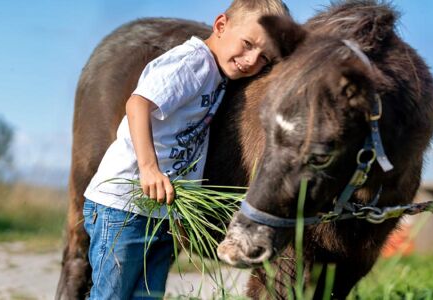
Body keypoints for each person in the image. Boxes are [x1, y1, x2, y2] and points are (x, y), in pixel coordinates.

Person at [82, 1, 289, 298]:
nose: (251, 60)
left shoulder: (218, 75)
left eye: (264, 58)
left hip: (159, 210)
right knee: (112, 295)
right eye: (247, 44)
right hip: (123, 206)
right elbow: (138, 104)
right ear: (220, 26)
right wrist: (149, 168)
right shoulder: (192, 63)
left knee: (146, 295)